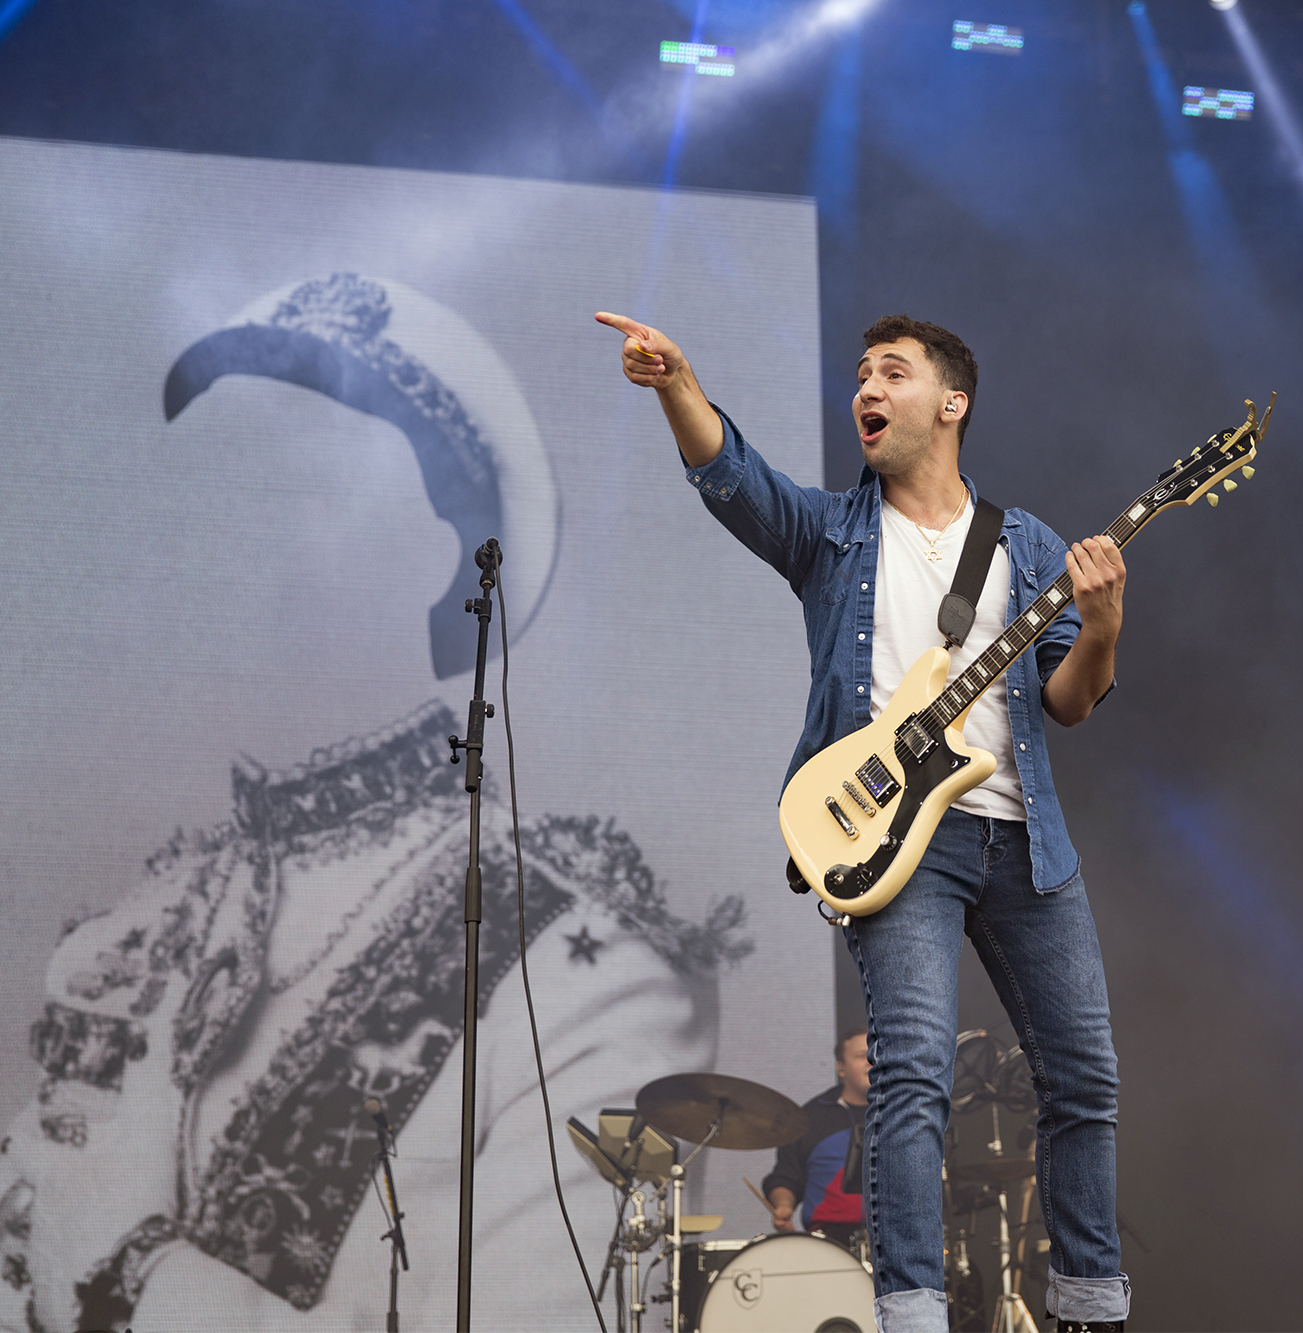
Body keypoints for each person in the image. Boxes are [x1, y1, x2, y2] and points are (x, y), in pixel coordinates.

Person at [0, 274, 745, 1332]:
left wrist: (133, 1274)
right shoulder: (147, 924)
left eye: (275, 495)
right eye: (192, 498)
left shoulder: (592, 973)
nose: (198, 550)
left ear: (428, 554)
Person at [597, 308, 1129, 1333]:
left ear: (951, 402)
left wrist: (1101, 625)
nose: (866, 390)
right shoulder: (834, 531)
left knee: (1083, 1079)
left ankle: (1090, 1308)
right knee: (912, 1077)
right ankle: (913, 1315)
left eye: (891, 372)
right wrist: (676, 384)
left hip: (1024, 839)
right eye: (859, 376)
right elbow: (732, 478)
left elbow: (1069, 700)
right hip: (899, 846)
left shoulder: (1025, 544)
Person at [762, 1027, 872, 1251]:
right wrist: (783, 1206)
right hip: (829, 1243)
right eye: (861, 1056)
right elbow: (786, 1177)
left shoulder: (903, 1113)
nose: (872, 1062)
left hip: (898, 1236)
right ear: (841, 1068)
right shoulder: (811, 1117)